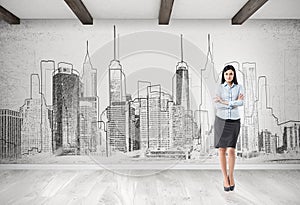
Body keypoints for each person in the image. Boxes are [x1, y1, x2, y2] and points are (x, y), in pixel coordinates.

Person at [214, 65, 244, 192]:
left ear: (234, 75)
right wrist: (233, 104)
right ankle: (225, 179)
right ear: (224, 75)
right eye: (226, 74)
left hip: (234, 121)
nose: (228, 76)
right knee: (221, 150)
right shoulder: (219, 88)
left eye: (231, 74)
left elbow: (241, 103)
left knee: (231, 150)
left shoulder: (239, 87)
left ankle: (231, 176)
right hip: (221, 121)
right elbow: (216, 105)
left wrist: (224, 102)